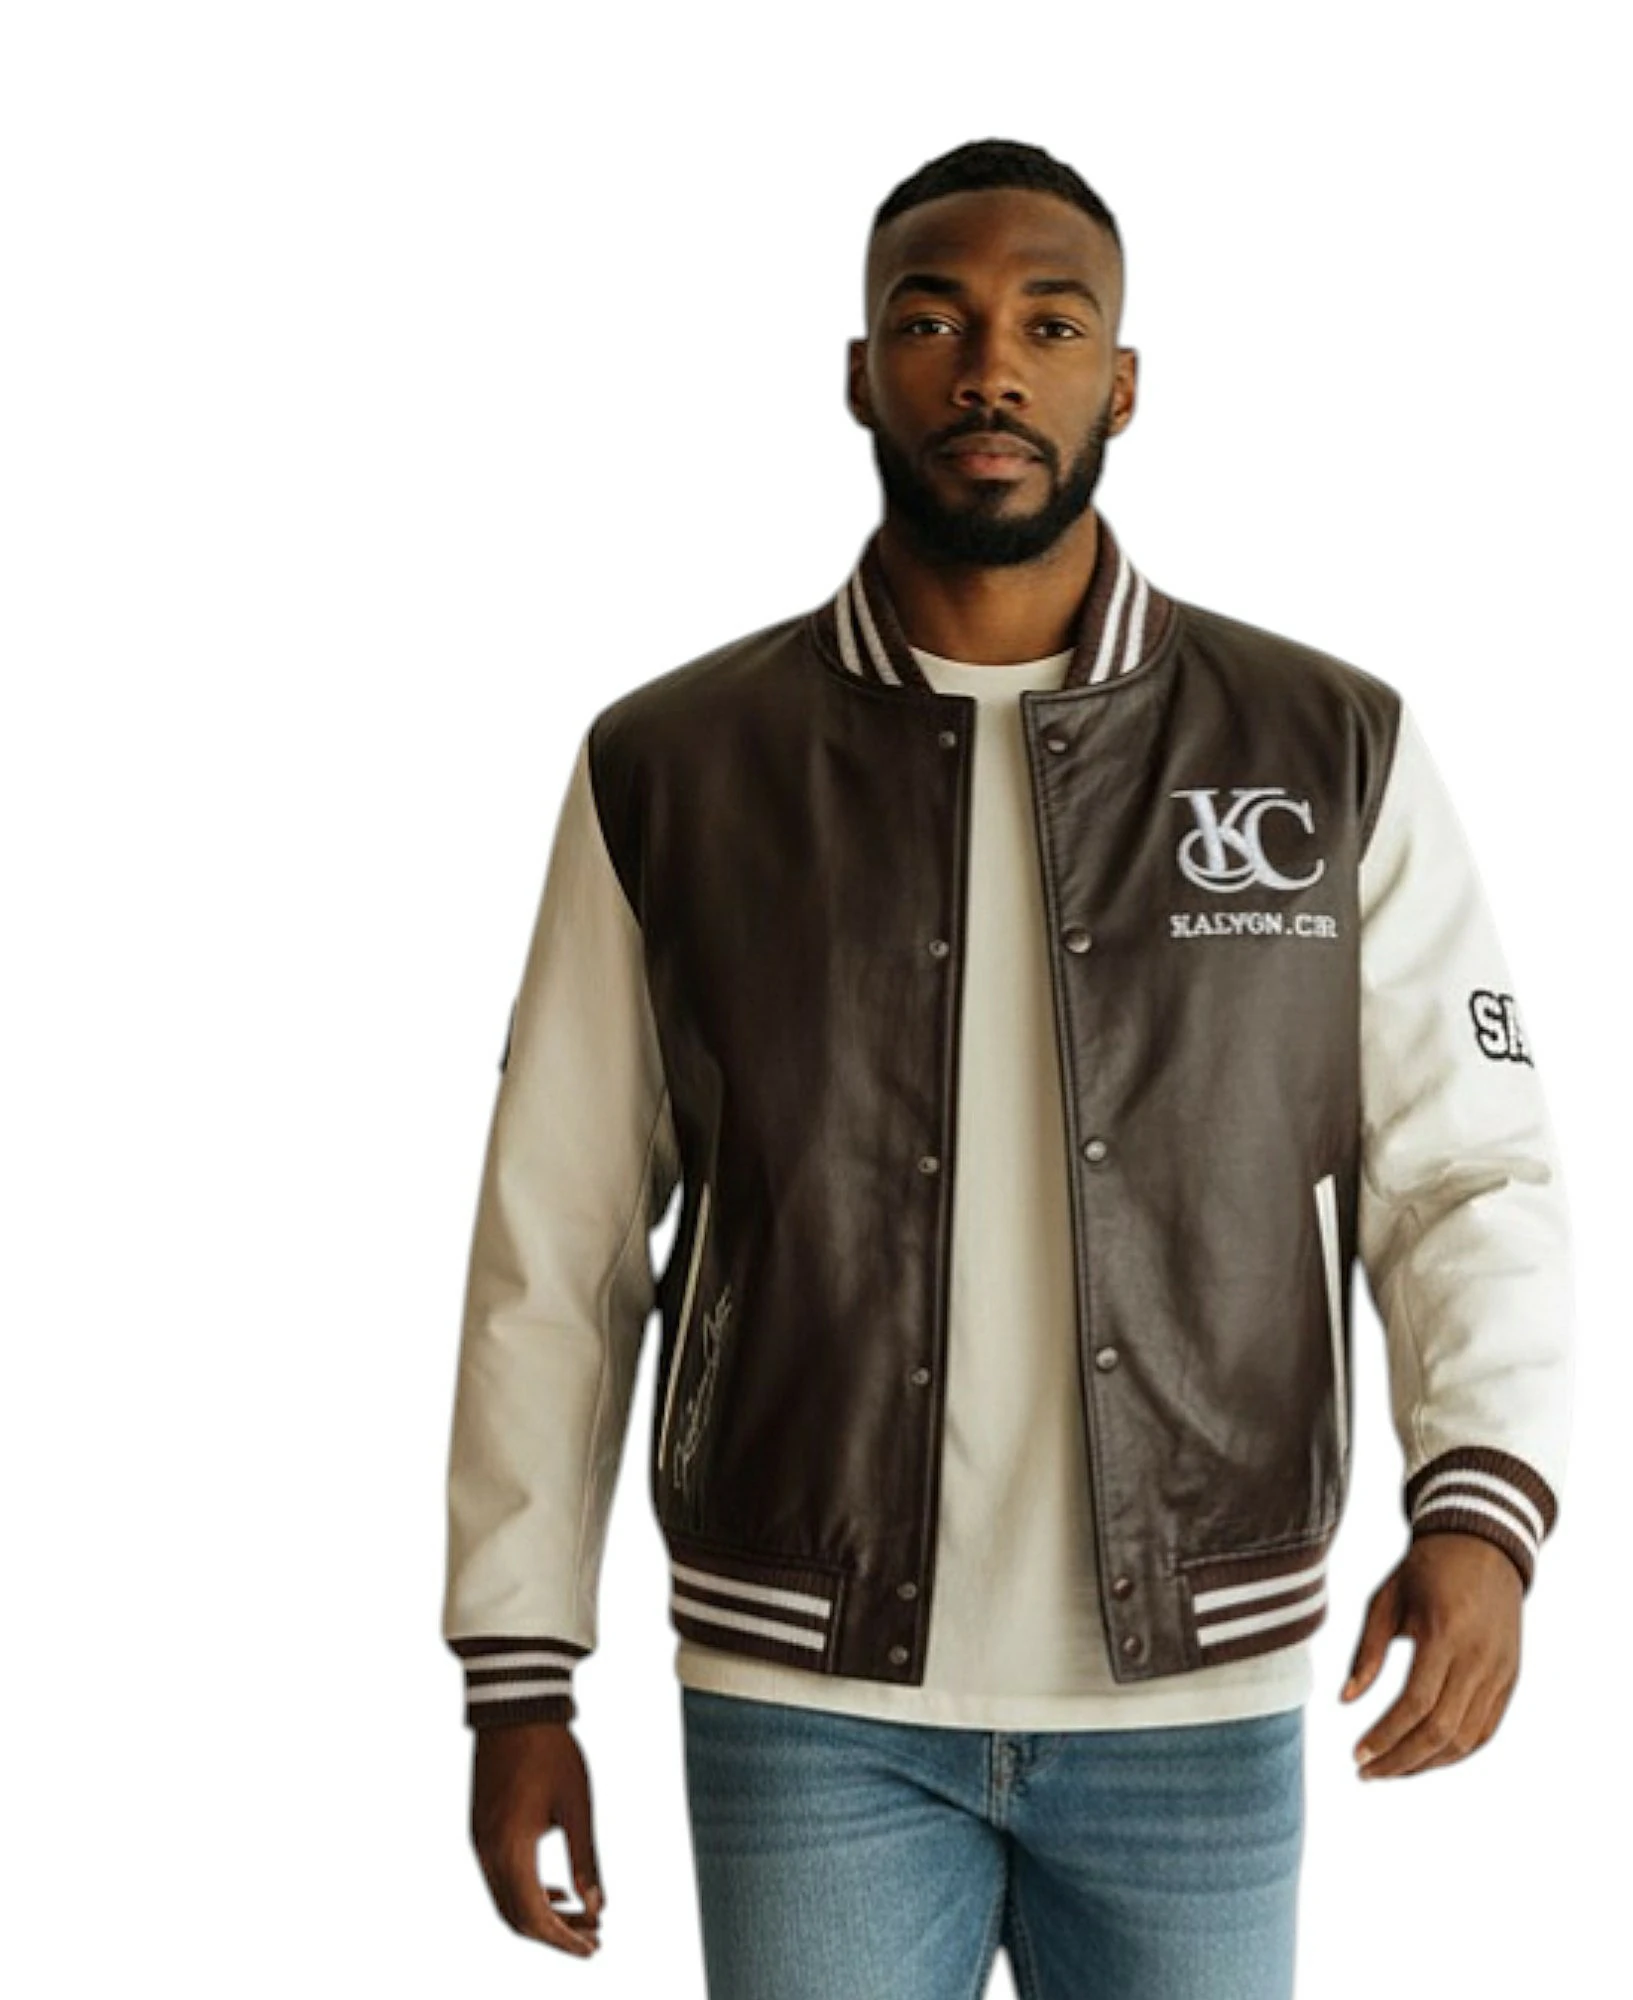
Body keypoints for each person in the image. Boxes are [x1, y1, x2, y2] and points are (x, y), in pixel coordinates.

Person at [441, 137, 1575, 1999]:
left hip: (1197, 1687)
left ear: (1121, 381)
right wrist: (518, 1669)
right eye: (933, 323)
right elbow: (553, 1238)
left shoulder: (1324, 746)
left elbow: (1467, 1170)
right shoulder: (675, 768)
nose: (991, 370)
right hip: (802, 1690)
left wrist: (1483, 1502)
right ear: (859, 374)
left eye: (1051, 327)